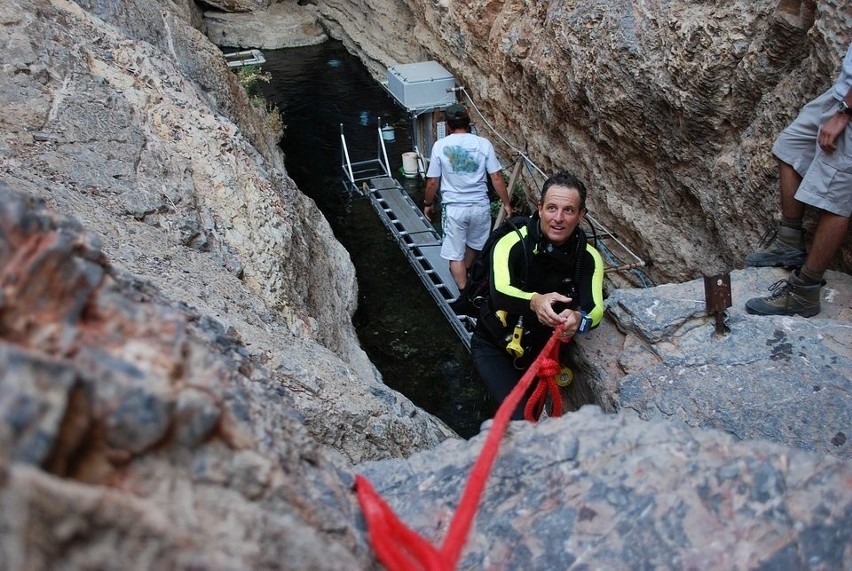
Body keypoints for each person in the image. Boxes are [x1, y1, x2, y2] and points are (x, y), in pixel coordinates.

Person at [471, 171, 605, 420]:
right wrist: (535, 301)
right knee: (519, 418)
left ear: (581, 215)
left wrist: (578, 318)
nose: (558, 218)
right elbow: (500, 293)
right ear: (540, 208)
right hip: (495, 346)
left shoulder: (588, 258)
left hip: (540, 353)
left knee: (531, 414)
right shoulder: (512, 243)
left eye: (568, 210)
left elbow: (595, 309)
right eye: (552, 208)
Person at [745, 42, 852, 317]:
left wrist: (845, 114)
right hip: (841, 95)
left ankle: (805, 290)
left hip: (848, 110)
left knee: (833, 199)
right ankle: (789, 241)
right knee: (789, 148)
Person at [422, 103, 512, 290]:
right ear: (468, 121)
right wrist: (506, 203)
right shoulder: (483, 144)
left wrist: (428, 203)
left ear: (448, 124)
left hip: (455, 208)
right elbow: (496, 177)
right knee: (474, 245)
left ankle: (464, 292)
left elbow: (432, 182)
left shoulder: (440, 146)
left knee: (454, 255)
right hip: (480, 207)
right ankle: (468, 272)